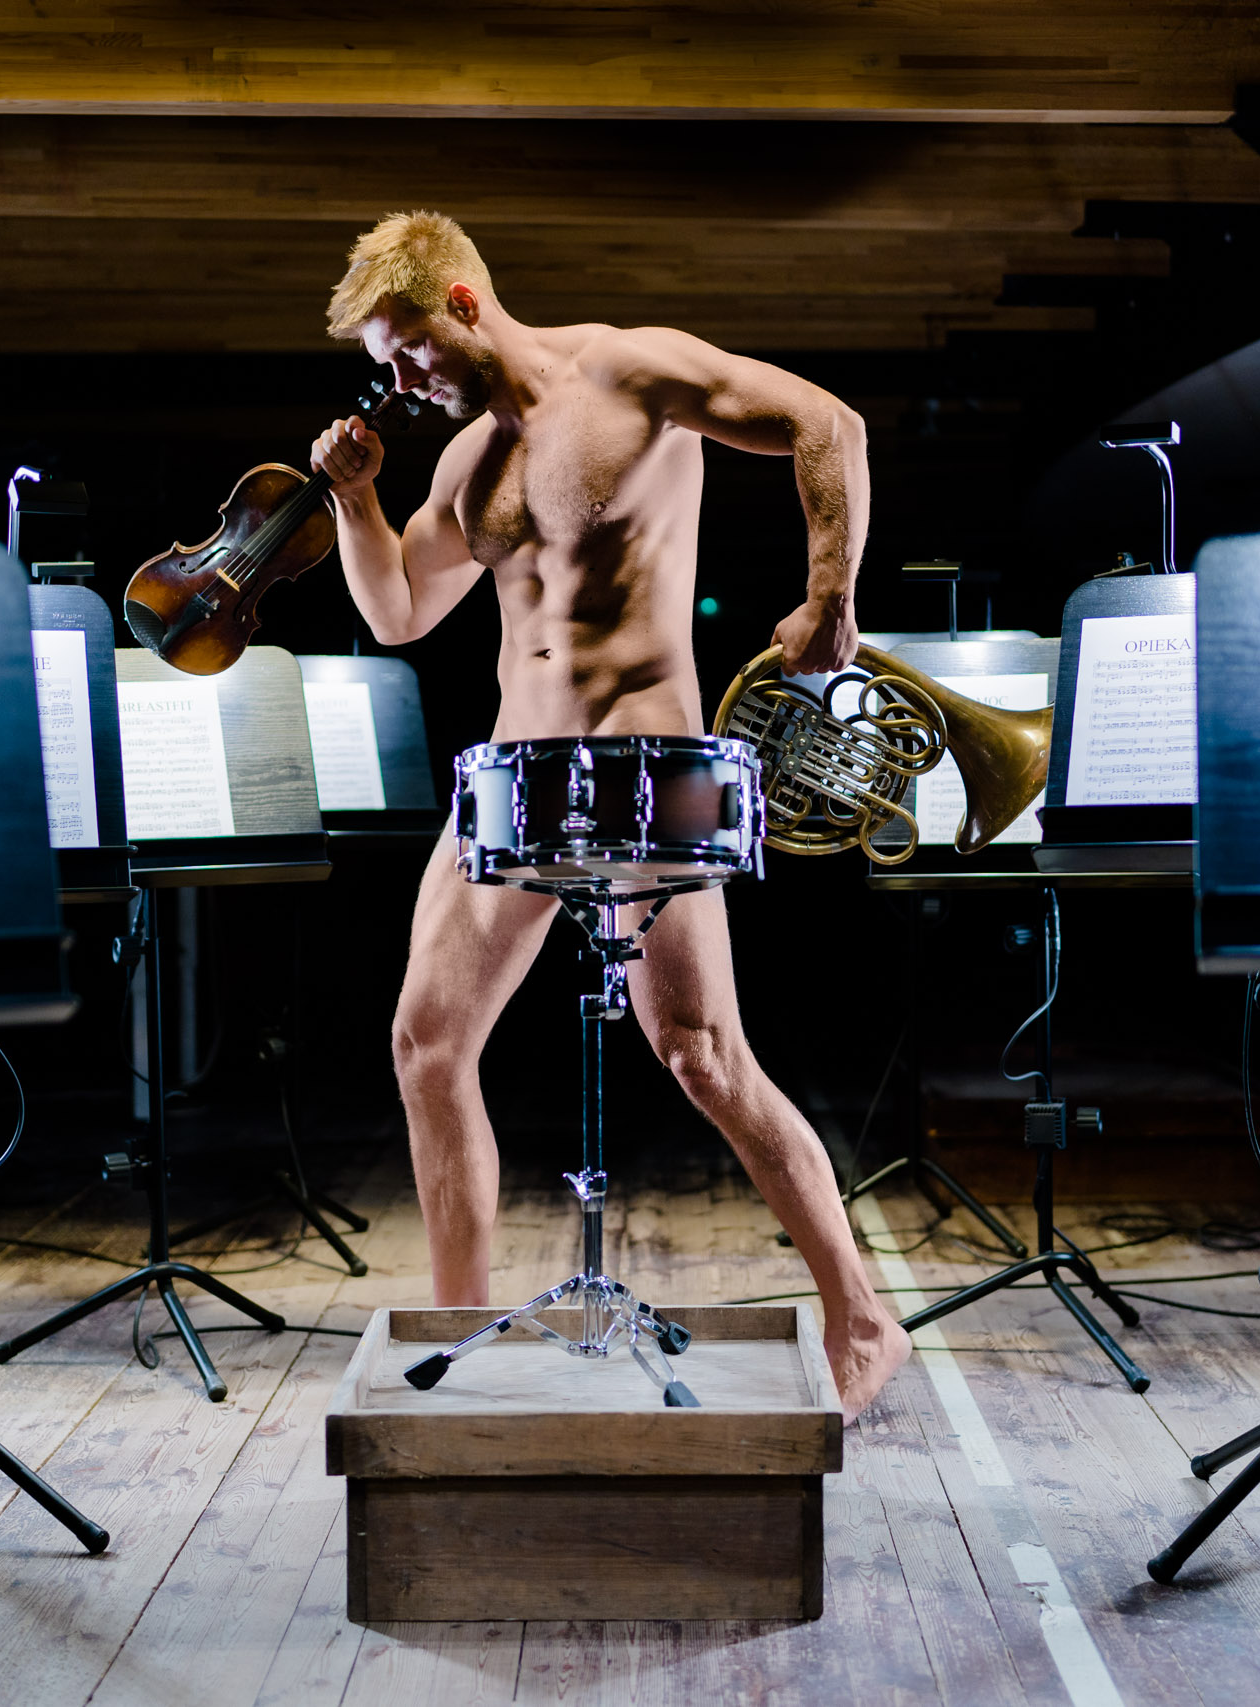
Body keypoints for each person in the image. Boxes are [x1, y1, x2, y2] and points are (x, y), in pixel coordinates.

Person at [308, 210, 907, 1421]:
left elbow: (826, 423)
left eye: (408, 349)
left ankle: (862, 1316)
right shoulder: (465, 463)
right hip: (514, 770)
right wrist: (355, 502)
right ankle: (461, 1329)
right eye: (385, 363)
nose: (400, 380)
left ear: (462, 303)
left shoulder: (630, 372)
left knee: (700, 1054)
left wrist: (829, 595)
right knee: (426, 1044)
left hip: (649, 758)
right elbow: (400, 613)